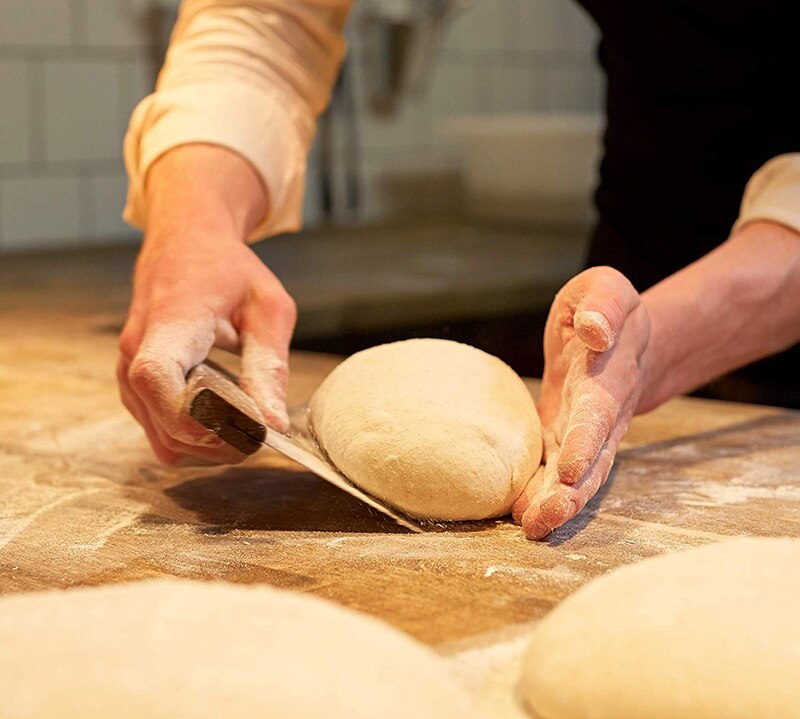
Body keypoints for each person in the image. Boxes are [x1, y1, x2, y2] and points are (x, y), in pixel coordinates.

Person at [118, 0, 800, 539]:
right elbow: (268, 20)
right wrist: (194, 222)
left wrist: (664, 341)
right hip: (640, 234)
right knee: (599, 359)